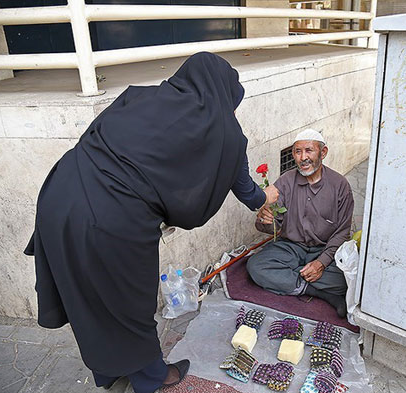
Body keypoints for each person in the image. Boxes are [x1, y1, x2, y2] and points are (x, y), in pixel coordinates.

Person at [23, 52, 278, 393]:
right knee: (129, 302)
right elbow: (248, 192)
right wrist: (268, 198)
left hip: (59, 194)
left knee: (84, 293)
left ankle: (107, 371)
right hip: (111, 218)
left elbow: (97, 138)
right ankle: (153, 377)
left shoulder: (139, 96)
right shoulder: (225, 133)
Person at [247, 129, 353, 317]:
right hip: (290, 247)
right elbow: (272, 226)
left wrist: (321, 263)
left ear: (323, 152)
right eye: (297, 152)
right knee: (256, 266)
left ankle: (289, 278)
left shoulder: (340, 185)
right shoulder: (286, 181)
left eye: (309, 151)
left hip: (325, 250)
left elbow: (342, 233)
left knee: (350, 278)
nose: (303, 157)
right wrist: (264, 219)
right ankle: (317, 291)